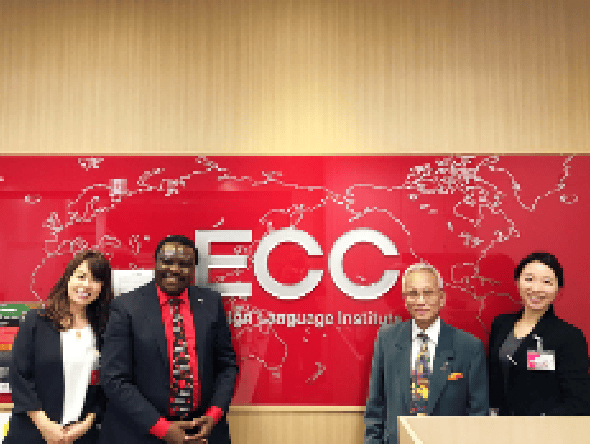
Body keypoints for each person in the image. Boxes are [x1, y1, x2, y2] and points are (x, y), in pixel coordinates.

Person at [99, 235, 238, 444]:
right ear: (155, 263)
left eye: (184, 264)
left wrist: (214, 415)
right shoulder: (126, 306)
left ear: (193, 269)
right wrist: (162, 428)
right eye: (167, 261)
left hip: (202, 431)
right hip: (142, 432)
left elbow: (226, 366)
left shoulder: (211, 303)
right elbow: (113, 378)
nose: (174, 269)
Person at [365, 263, 489, 444]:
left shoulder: (469, 347)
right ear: (405, 299)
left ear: (442, 298)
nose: (420, 300)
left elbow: (478, 413)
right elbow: (376, 406)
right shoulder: (387, 340)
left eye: (428, 293)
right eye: (413, 293)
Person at [5, 250, 113, 444]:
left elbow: (107, 383)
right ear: (68, 278)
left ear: (102, 287)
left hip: (82, 435)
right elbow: (19, 375)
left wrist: (87, 423)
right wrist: (45, 425)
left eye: (96, 279)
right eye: (81, 276)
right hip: (32, 432)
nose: (86, 285)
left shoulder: (104, 329)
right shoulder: (37, 320)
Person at [488, 251, 590, 415]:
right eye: (529, 279)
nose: (536, 289)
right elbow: (493, 378)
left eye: (547, 282)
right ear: (518, 282)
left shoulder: (570, 337)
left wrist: (539, 425)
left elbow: (578, 402)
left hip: (545, 427)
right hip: (502, 424)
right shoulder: (501, 324)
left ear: (558, 289)